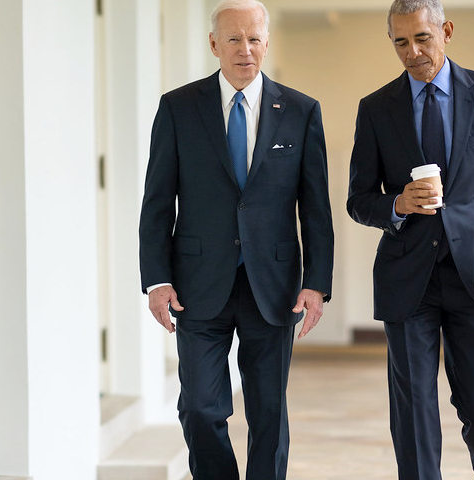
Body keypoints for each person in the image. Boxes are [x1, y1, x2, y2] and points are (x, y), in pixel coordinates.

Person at [138, 0, 334, 478]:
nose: (245, 50)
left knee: (268, 413)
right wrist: (156, 279)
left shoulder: (302, 112)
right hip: (196, 284)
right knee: (202, 410)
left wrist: (316, 283)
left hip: (274, 285)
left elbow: (315, 207)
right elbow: (158, 201)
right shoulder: (178, 108)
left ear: (267, 43)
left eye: (254, 39)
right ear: (213, 45)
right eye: (233, 39)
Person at [346, 0, 474, 478]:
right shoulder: (374, 109)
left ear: (446, 31)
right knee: (413, 415)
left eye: (422, 39)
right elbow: (358, 199)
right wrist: (397, 204)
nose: (412, 52)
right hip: (408, 282)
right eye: (400, 42)